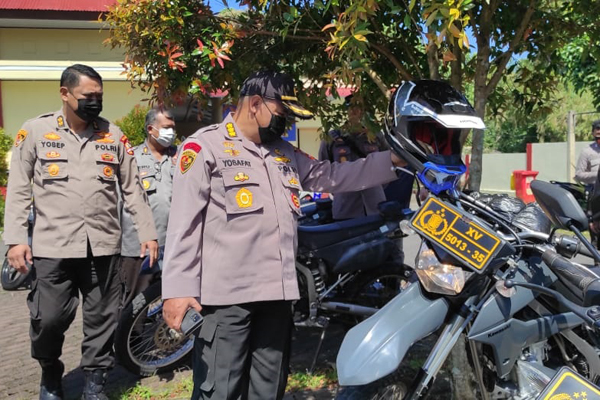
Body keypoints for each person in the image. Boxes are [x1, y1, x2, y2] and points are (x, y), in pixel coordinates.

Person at [161, 70, 406, 400]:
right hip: (226, 301)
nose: (286, 122)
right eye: (282, 113)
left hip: (277, 298)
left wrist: (392, 160)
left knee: (268, 389)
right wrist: (177, 290)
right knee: (220, 390)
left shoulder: (284, 153)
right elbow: (184, 224)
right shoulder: (205, 147)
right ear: (255, 104)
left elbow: (333, 176)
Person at [3, 64, 159, 400]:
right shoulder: (36, 131)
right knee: (48, 319)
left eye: (99, 96)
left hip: (104, 246)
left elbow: (133, 189)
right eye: (88, 96)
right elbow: (18, 188)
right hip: (53, 247)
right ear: (65, 93)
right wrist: (15, 240)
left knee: (102, 319)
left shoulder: (113, 135)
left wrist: (148, 232)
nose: (95, 102)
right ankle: (50, 371)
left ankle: (94, 383)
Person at [120, 107, 177, 304]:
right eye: (166, 128)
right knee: (136, 304)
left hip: (173, 246)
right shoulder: (132, 158)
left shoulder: (181, 157)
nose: (171, 132)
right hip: (139, 248)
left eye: (173, 128)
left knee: (169, 301)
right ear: (151, 129)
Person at [318, 94, 388, 219]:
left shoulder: (376, 136)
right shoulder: (332, 138)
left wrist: (376, 186)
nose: (356, 112)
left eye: (359, 108)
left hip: (375, 205)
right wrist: (338, 190)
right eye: (352, 108)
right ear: (347, 110)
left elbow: (387, 166)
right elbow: (324, 169)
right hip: (345, 206)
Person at [575, 119, 600, 187]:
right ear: (593, 133)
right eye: (598, 129)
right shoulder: (586, 151)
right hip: (595, 190)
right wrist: (597, 174)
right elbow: (578, 175)